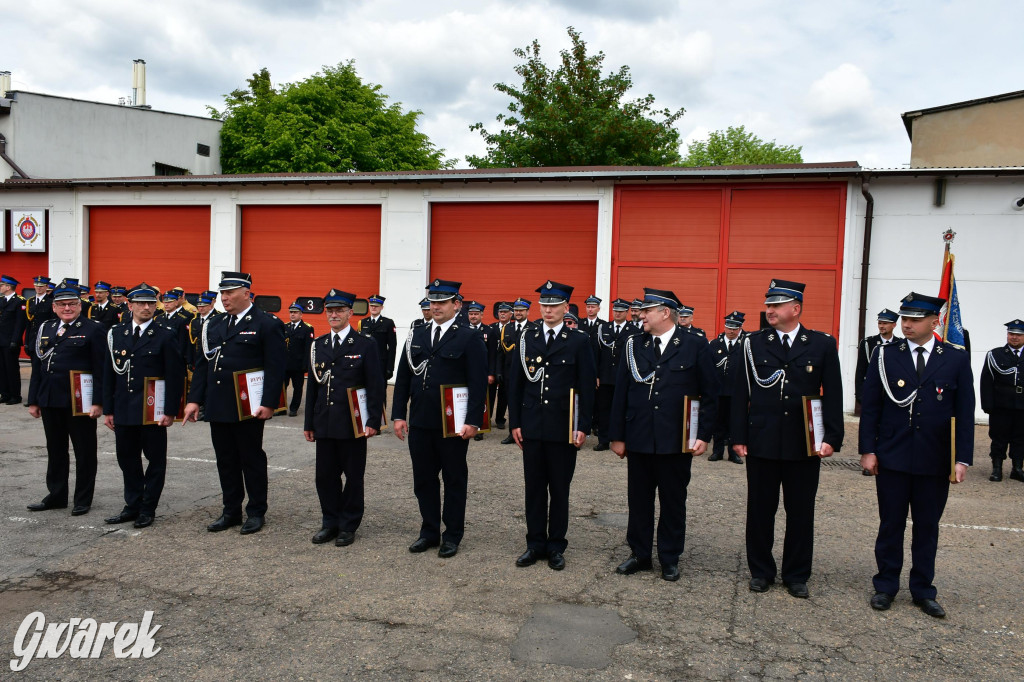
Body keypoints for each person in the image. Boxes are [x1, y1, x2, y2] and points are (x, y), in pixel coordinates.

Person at [859, 292, 975, 618]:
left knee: (927, 526)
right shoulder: (885, 355)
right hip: (893, 455)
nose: (905, 324)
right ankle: (885, 586)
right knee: (891, 524)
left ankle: (923, 590)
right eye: (904, 318)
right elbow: (871, 408)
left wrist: (961, 458)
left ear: (934, 321)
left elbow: (965, 413)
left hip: (935, 459)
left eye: (914, 319)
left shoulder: (954, 357)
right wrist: (868, 449)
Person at [731, 279, 843, 599]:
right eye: (768, 305)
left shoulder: (821, 344)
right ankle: (761, 571)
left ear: (796, 308)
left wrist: (833, 437)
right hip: (762, 440)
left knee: (800, 511)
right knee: (760, 510)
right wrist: (738, 435)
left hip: (804, 443)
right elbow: (740, 392)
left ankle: (796, 574)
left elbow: (833, 394)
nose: (770, 310)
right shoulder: (752, 343)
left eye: (777, 305)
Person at [609, 288, 718, 581]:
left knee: (673, 500)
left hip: (676, 439)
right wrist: (617, 435)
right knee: (639, 500)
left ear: (665, 313)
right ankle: (640, 554)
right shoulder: (634, 344)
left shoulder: (695, 345)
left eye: (647, 311)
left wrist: (704, 435)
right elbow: (621, 392)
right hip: (640, 435)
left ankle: (669, 557)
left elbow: (710, 394)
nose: (640, 315)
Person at [183, 272, 286, 535]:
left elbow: (276, 368)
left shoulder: (266, 323)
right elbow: (203, 364)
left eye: (229, 293)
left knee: (251, 459)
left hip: (248, 405)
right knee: (225, 460)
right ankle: (231, 510)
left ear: (246, 293)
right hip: (218, 404)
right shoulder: (215, 324)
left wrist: (269, 403)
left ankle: (256, 511)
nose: (224, 298)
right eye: (222, 293)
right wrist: (194, 400)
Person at [391, 278, 487, 558]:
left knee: (454, 479)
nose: (436, 307)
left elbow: (478, 383)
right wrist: (399, 414)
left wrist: (473, 420)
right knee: (423, 479)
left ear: (456, 304)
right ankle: (429, 531)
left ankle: (452, 534)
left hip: (452, 423)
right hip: (421, 419)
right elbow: (404, 376)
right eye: (433, 302)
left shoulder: (468, 336)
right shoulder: (416, 333)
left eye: (442, 302)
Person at [508, 280, 596, 571]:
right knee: (533, 488)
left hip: (563, 425)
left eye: (554, 305)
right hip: (532, 425)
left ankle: (556, 545)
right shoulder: (527, 337)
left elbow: (587, 387)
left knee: (559, 489)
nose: (548, 310)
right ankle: (534, 543)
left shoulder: (579, 341)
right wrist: (515, 423)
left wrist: (584, 425)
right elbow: (516, 384)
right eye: (544, 305)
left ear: (566, 308)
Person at [304, 289, 385, 547]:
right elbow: (313, 388)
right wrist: (309, 423)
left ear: (351, 313)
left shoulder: (365, 345)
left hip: (353, 423)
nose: (334, 315)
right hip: (325, 422)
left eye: (339, 310)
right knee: (325, 477)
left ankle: (348, 524)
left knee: (353, 476)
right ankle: (330, 522)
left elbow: (376, 385)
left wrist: (373, 420)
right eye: (330, 310)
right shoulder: (318, 345)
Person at [101, 283, 185, 529]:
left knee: (155, 461)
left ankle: (148, 508)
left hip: (152, 410)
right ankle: (132, 504)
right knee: (127, 459)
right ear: (130, 305)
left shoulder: (165, 334)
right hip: (124, 408)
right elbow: (109, 374)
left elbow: (175, 375)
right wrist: (108, 409)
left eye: (150, 303)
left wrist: (170, 411)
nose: (146, 308)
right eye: (140, 303)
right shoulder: (117, 333)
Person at [25, 278, 106, 515]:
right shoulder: (46, 328)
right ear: (54, 307)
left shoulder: (94, 329)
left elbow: (101, 369)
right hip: (50, 400)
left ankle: (82, 499)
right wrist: (34, 400)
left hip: (79, 401)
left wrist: (98, 402)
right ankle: (57, 495)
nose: (67, 308)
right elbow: (39, 366)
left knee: (84, 451)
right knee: (55, 450)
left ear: (80, 305)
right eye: (62, 305)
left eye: (71, 304)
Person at [980, 319, 1024, 482]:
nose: (1014, 338)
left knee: (1020, 437)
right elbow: (986, 381)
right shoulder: (995, 354)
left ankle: (1017, 468)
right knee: (999, 437)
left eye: (1019, 335)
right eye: (1011, 334)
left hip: (1022, 405)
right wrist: (987, 405)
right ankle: (997, 468)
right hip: (1001, 404)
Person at [593, 298, 639, 451]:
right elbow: (596, 354)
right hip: (605, 377)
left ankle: (620, 437)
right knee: (604, 409)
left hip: (623, 377)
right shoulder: (603, 328)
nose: (617, 314)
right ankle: (603, 439)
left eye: (621, 311)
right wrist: (596, 375)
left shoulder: (633, 331)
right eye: (615, 311)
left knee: (622, 408)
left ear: (627, 312)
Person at [707, 311, 746, 464]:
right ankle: (717, 451)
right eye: (728, 328)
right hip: (718, 391)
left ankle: (733, 453)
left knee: (734, 422)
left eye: (734, 328)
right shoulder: (715, 344)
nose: (731, 331)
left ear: (740, 328)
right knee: (718, 422)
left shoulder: (745, 343)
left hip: (736, 392)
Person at [854, 309, 901, 406]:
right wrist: (860, 395)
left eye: (885, 323)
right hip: (872, 391)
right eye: (880, 323)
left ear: (894, 325)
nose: (881, 326)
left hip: (893, 393)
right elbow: (860, 370)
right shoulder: (868, 343)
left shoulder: (899, 343)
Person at [465, 300, 493, 441]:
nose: (473, 316)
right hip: (465, 372)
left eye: (476, 314)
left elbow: (493, 354)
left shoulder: (489, 331)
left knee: (482, 401)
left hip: (483, 372)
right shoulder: (462, 329)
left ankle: (480, 427)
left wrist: (491, 373)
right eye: (471, 314)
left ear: (482, 315)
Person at [284, 302, 315, 417]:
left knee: (297, 388)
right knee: (282, 386)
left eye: (295, 312)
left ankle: (293, 408)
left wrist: (306, 365)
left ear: (301, 314)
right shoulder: (285, 327)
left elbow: (309, 348)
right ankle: (281, 408)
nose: (292, 314)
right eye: (291, 312)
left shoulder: (307, 328)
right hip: (285, 364)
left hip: (298, 365)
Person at [0, 274, 27, 404]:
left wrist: (15, 340)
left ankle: (15, 395)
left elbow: (19, 324)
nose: (0, 287)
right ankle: (4, 393)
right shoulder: (1, 300)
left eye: (2, 285)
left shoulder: (19, 301)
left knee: (11, 369)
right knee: (2, 368)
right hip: (0, 340)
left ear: (8, 287)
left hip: (10, 341)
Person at [360, 294, 398, 382]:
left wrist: (390, 368)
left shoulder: (388, 323)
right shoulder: (362, 323)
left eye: (376, 306)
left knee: (380, 392)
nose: (374, 308)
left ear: (382, 307)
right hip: (365, 364)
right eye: (372, 305)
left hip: (381, 364)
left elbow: (392, 347)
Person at [492, 302, 515, 429]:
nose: (502, 314)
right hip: (493, 365)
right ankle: (488, 418)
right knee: (491, 396)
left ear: (511, 314)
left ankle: (500, 419)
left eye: (505, 312)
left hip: (506, 367)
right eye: (500, 312)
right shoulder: (491, 328)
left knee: (504, 395)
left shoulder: (512, 328)